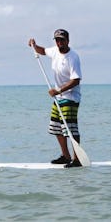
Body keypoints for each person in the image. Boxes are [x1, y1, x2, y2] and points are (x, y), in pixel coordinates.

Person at [28, 29, 83, 168]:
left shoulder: (73, 57)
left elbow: (76, 80)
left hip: (70, 97)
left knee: (70, 129)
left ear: (68, 41)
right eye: (57, 40)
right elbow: (42, 51)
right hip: (58, 98)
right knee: (56, 127)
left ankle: (77, 159)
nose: (59, 43)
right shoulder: (54, 51)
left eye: (62, 40)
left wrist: (58, 90)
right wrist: (34, 46)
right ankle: (65, 156)